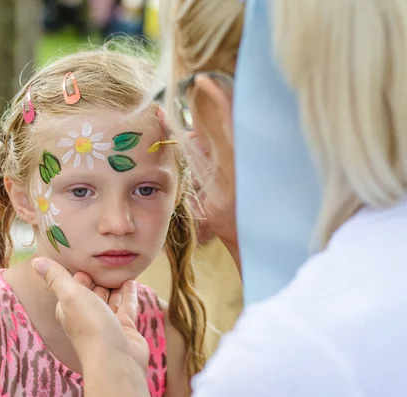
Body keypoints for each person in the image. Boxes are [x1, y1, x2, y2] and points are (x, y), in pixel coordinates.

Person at [31, 0, 407, 396]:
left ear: (214, 112)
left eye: (182, 108)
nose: (118, 222)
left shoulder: (289, 357)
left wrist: (113, 371)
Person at [0, 45, 208, 397]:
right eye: (80, 192)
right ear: (23, 198)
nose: (118, 223)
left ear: (179, 192)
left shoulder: (165, 334)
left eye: (145, 189)